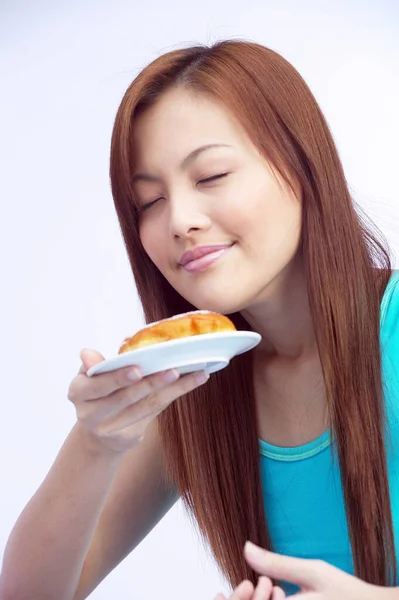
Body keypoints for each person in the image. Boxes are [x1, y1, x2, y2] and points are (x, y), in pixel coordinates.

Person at [1, 39, 398, 600]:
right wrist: (97, 442)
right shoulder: (188, 385)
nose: (180, 221)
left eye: (210, 176)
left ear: (303, 167)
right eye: (148, 202)